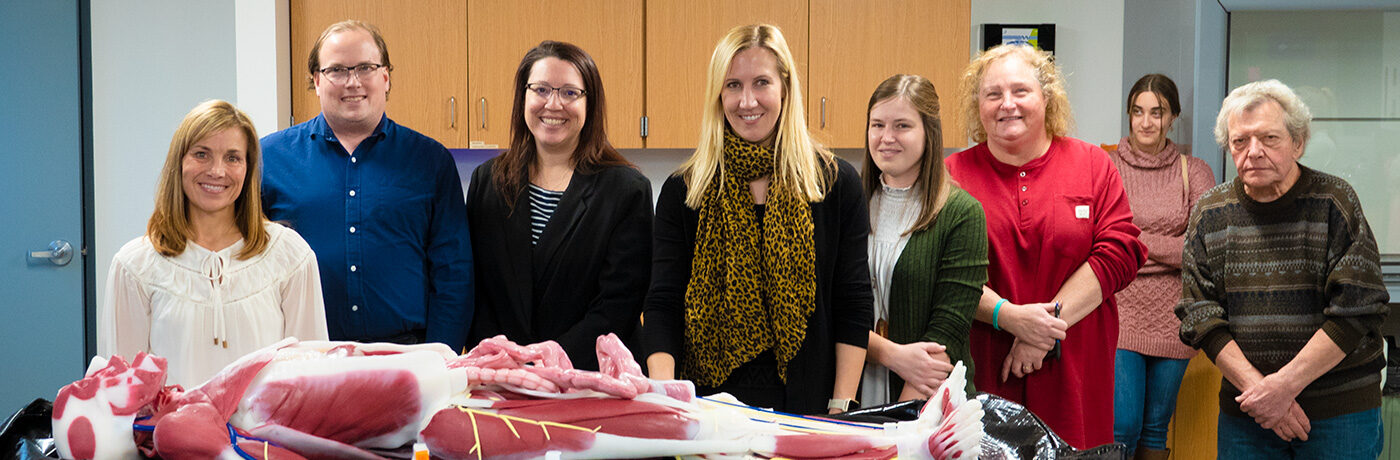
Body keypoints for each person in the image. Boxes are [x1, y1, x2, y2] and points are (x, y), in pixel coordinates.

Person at [641, 24, 872, 415]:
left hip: (809, 403)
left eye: (761, 82)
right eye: (732, 85)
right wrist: (666, 399)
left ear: (785, 86)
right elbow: (663, 303)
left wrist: (841, 405)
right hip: (706, 406)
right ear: (718, 94)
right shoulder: (687, 189)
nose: (747, 101)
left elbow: (852, 302)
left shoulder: (833, 182)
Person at [943, 44, 1146, 448]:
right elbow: (946, 276)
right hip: (988, 372)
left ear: (1047, 97)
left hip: (1075, 371)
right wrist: (1009, 317)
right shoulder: (953, 175)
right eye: (993, 94)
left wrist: (1042, 330)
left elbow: (1120, 252)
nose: (1007, 104)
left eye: (1021, 91)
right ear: (977, 105)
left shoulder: (1091, 164)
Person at [1177, 79, 1389, 459]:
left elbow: (1358, 307)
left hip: (1339, 411)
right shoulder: (1210, 213)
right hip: (1248, 412)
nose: (1253, 152)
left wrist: (1283, 388)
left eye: (1269, 138)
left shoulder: (1334, 202)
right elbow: (1199, 314)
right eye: (1240, 141)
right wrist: (1263, 394)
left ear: (1298, 142)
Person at [261, 20, 473, 351]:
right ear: (316, 81)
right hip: (305, 359)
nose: (353, 82)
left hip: (408, 355)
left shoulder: (430, 160)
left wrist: (440, 360)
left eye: (365, 68)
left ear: (385, 77)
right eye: (337, 70)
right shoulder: (268, 159)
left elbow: (453, 274)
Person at [100, 100, 328, 388]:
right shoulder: (134, 266)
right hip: (169, 433)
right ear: (178, 162)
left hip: (262, 434)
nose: (217, 171)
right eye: (201, 154)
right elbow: (122, 390)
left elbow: (311, 379)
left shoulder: (291, 256)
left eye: (233, 158)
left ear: (248, 169)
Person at [466, 41, 652, 371]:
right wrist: (503, 361)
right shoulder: (487, 182)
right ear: (523, 97)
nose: (553, 104)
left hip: (591, 378)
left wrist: (545, 364)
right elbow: (477, 292)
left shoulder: (626, 190)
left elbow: (618, 305)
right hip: (505, 377)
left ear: (589, 103)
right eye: (541, 89)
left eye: (569, 93)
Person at [858, 74, 987, 406]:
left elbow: (947, 335)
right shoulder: (848, 205)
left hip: (929, 405)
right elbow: (829, 314)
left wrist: (898, 422)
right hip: (852, 394)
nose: (886, 138)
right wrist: (890, 354)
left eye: (902, 126)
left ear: (929, 133)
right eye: (877, 125)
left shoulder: (961, 214)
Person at [1106, 74, 1215, 460]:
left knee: (1156, 425)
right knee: (1123, 424)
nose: (1146, 122)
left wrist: (1134, 240)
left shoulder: (1195, 172)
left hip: (1175, 315)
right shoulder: (1105, 167)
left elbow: (1202, 249)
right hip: (1118, 310)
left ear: (1173, 118)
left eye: (1157, 112)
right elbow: (1098, 240)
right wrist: (1168, 249)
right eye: (1138, 112)